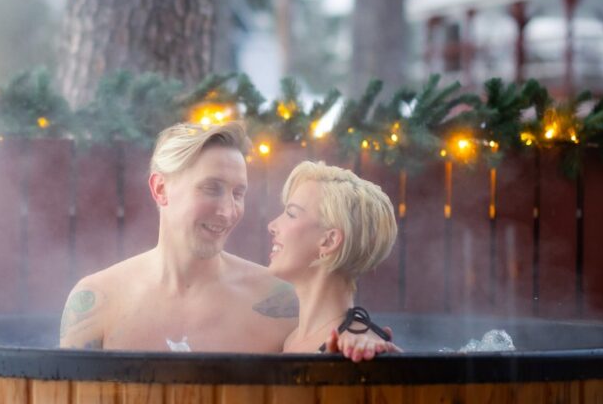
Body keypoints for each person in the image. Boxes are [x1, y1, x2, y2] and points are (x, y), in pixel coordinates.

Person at [58, 121, 300, 352]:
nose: (227, 211)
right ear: (161, 189)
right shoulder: (98, 301)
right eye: (211, 188)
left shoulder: (280, 301)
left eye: (238, 193)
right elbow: (65, 395)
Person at [266, 160, 400, 359]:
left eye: (291, 214)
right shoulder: (290, 339)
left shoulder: (358, 349)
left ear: (329, 241)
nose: (272, 225)